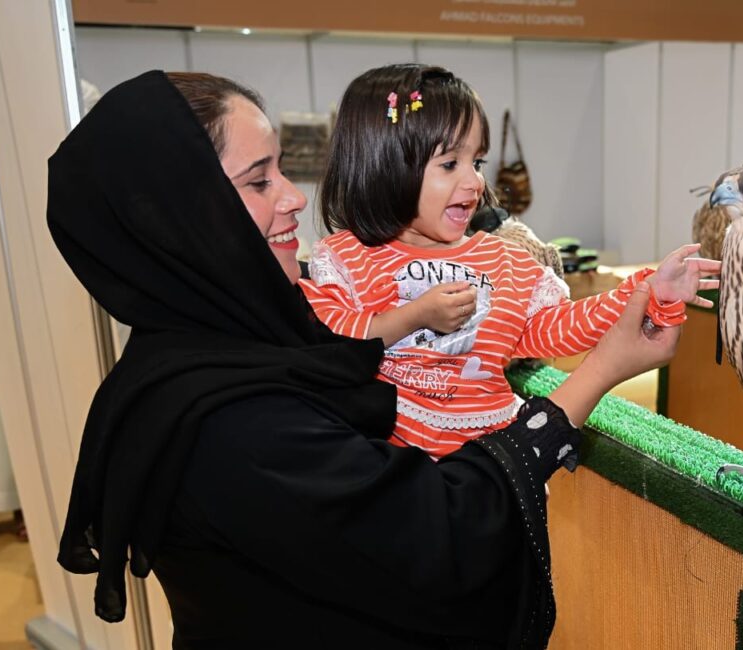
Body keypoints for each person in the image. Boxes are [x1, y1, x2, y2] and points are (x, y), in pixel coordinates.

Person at [47, 70, 693, 648]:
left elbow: (370, 348)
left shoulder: (229, 344)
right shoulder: (232, 425)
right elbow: (444, 532)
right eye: (258, 179)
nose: (295, 196)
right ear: (183, 214)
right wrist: (599, 373)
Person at [300, 64, 720, 458]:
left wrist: (644, 291)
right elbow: (337, 342)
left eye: (477, 162)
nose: (475, 181)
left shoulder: (505, 261)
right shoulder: (349, 259)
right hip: (392, 467)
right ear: (384, 167)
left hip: (497, 460)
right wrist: (413, 316)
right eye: (450, 164)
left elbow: (549, 330)